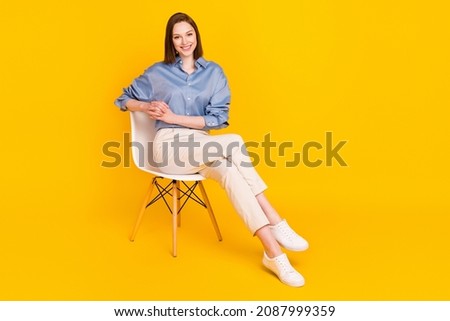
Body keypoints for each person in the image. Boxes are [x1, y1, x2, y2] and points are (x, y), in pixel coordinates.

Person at [114, 12, 309, 287]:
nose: (184, 41)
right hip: (169, 148)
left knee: (230, 169)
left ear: (196, 36)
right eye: (177, 36)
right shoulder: (158, 72)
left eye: (188, 34)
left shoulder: (214, 73)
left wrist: (175, 117)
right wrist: (145, 106)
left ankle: (274, 255)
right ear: (171, 41)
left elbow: (217, 119)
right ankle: (275, 219)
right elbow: (123, 99)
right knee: (234, 142)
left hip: (203, 147)